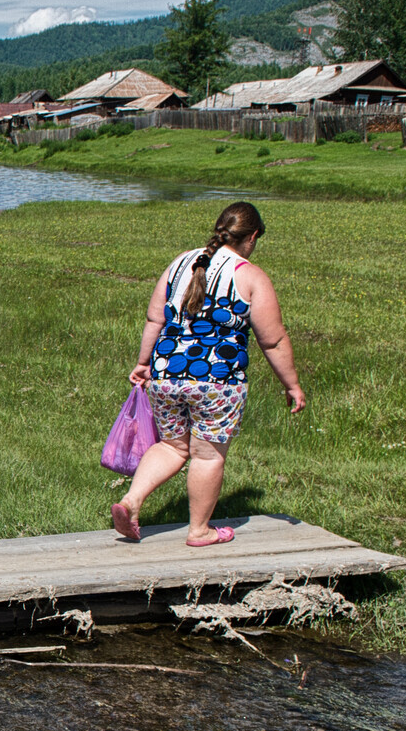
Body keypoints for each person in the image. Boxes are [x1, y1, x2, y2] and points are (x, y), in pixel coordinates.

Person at [111, 201, 305, 548]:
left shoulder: (181, 262)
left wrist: (143, 362)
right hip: (217, 381)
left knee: (171, 446)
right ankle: (199, 530)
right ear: (253, 236)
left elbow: (155, 318)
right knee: (207, 454)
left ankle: (131, 501)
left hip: (165, 373)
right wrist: (291, 385)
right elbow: (272, 340)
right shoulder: (248, 274)